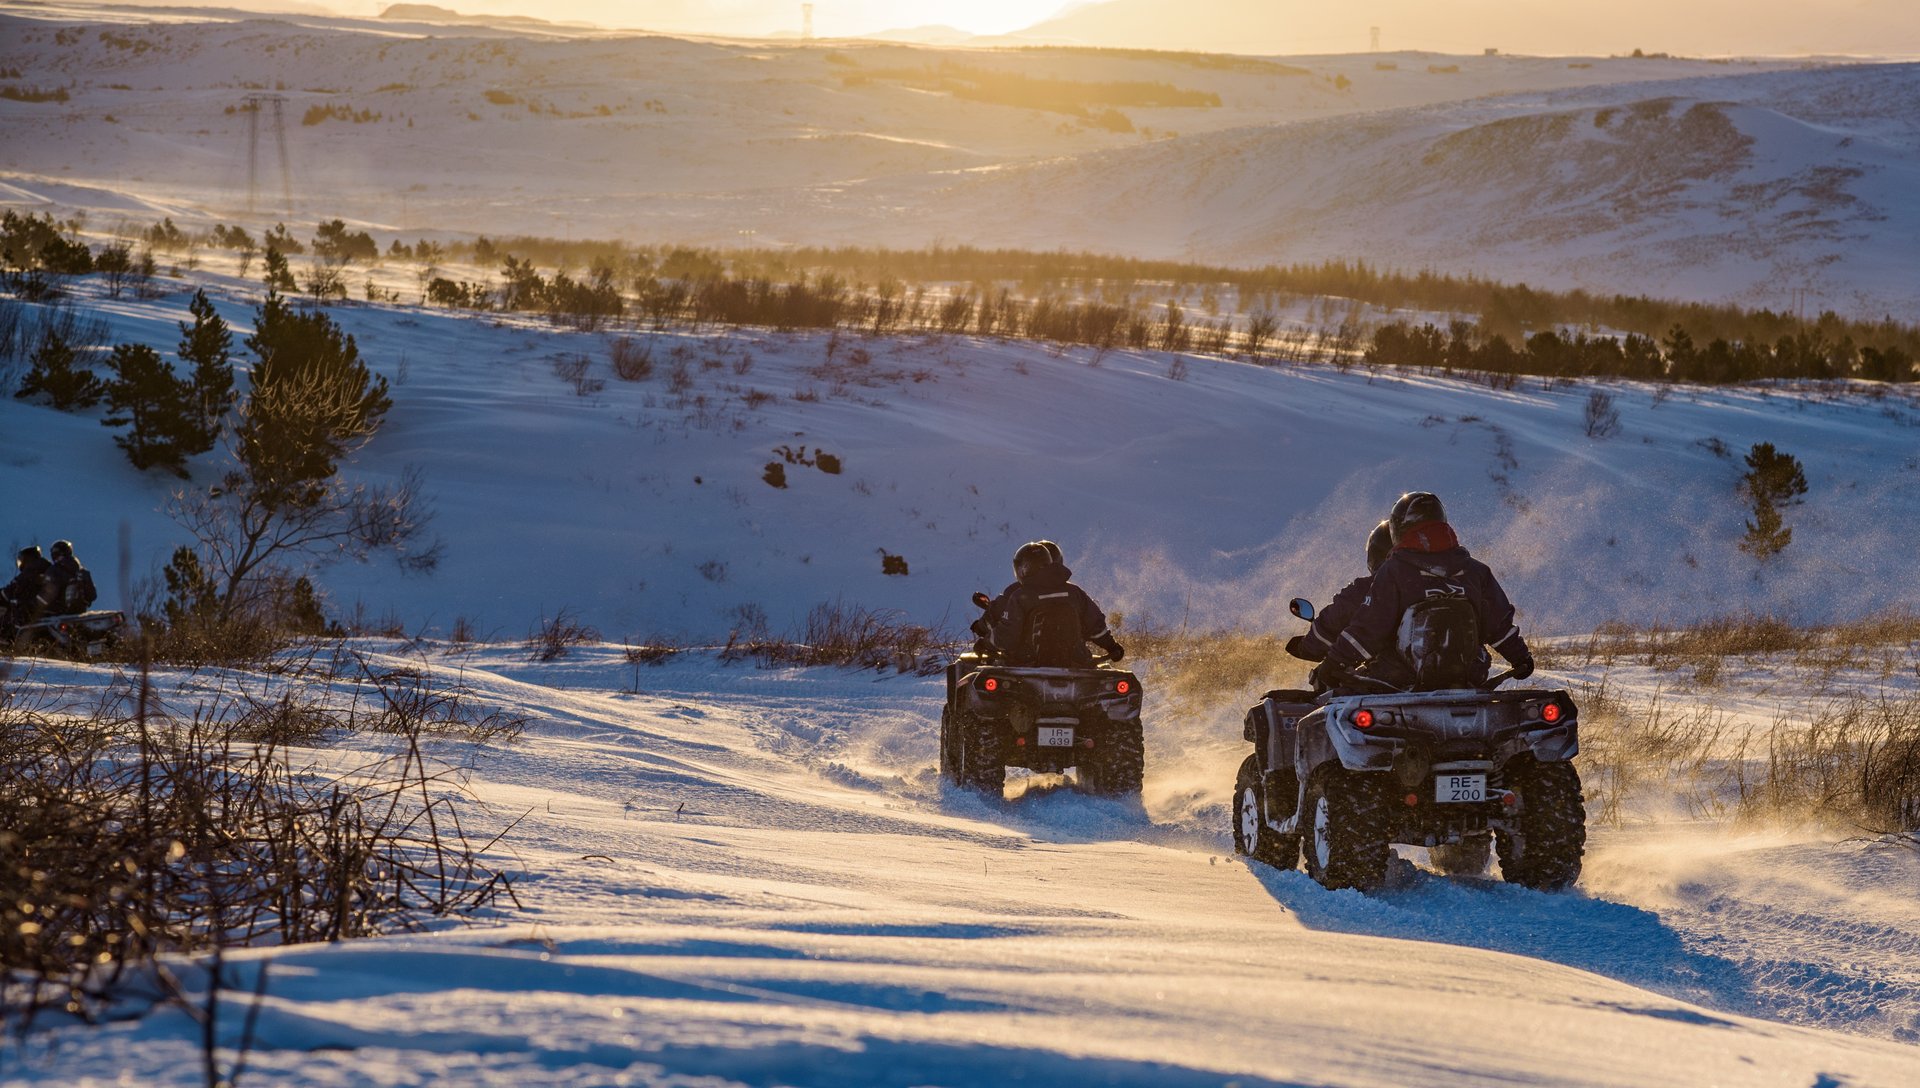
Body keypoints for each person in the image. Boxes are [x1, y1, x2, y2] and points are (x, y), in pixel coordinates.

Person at [1319, 492, 1534, 691]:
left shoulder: (1394, 571)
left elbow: (1369, 628)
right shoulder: (1475, 571)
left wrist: (1335, 662)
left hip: (1400, 676)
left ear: (1399, 529)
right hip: (1469, 674)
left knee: (1343, 697)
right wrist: (1520, 658)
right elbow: (1499, 624)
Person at [988, 540, 1124, 667]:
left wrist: (986, 643)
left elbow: (1006, 637)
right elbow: (1096, 626)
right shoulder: (1074, 592)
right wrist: (1112, 646)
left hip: (1029, 665)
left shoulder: (1020, 596)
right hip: (1076, 664)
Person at [1287, 520, 1392, 665]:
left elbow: (1335, 618)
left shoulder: (1375, 585)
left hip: (1395, 675)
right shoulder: (1428, 579)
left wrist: (1306, 647)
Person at [3, 545, 54, 628]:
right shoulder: (46, 567)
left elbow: (14, 588)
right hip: (43, 609)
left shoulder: (32, 569)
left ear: (27, 558)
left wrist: (3, 594)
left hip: (32, 610)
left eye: (21, 559)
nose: (20, 562)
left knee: (8, 620)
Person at [45, 539, 96, 616]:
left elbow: (47, 593)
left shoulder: (54, 570)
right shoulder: (82, 572)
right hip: (80, 611)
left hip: (58, 613)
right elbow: (92, 596)